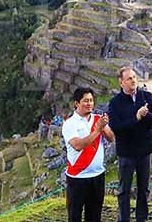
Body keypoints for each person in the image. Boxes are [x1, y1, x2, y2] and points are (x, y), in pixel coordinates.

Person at [108, 66, 152, 222]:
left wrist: (145, 115)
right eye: (129, 78)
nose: (133, 81)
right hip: (126, 153)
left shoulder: (146, 96)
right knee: (124, 190)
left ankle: (141, 219)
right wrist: (136, 117)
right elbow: (117, 128)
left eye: (134, 77)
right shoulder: (115, 103)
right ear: (121, 82)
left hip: (144, 151)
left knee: (143, 189)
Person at [62, 87, 114, 222]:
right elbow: (78, 145)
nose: (89, 103)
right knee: (75, 215)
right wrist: (97, 130)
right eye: (85, 101)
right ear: (77, 103)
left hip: (97, 175)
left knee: (95, 215)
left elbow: (111, 138)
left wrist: (104, 126)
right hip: (77, 177)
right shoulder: (69, 124)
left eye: (91, 100)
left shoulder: (98, 119)